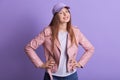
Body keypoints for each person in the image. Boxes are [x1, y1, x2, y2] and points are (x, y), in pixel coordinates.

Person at [24, 2, 94, 80]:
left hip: (71, 75)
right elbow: (29, 48)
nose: (65, 14)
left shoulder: (76, 32)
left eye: (67, 11)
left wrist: (80, 63)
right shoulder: (47, 32)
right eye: (61, 13)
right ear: (56, 17)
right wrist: (40, 64)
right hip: (52, 76)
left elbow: (90, 48)